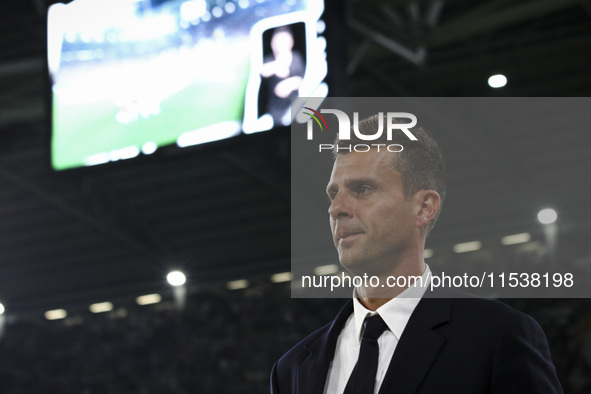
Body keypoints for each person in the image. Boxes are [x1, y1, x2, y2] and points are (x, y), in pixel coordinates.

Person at [271, 114, 563, 393]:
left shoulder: (496, 335)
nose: (336, 208)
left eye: (362, 189)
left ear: (424, 207)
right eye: (333, 194)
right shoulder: (292, 368)